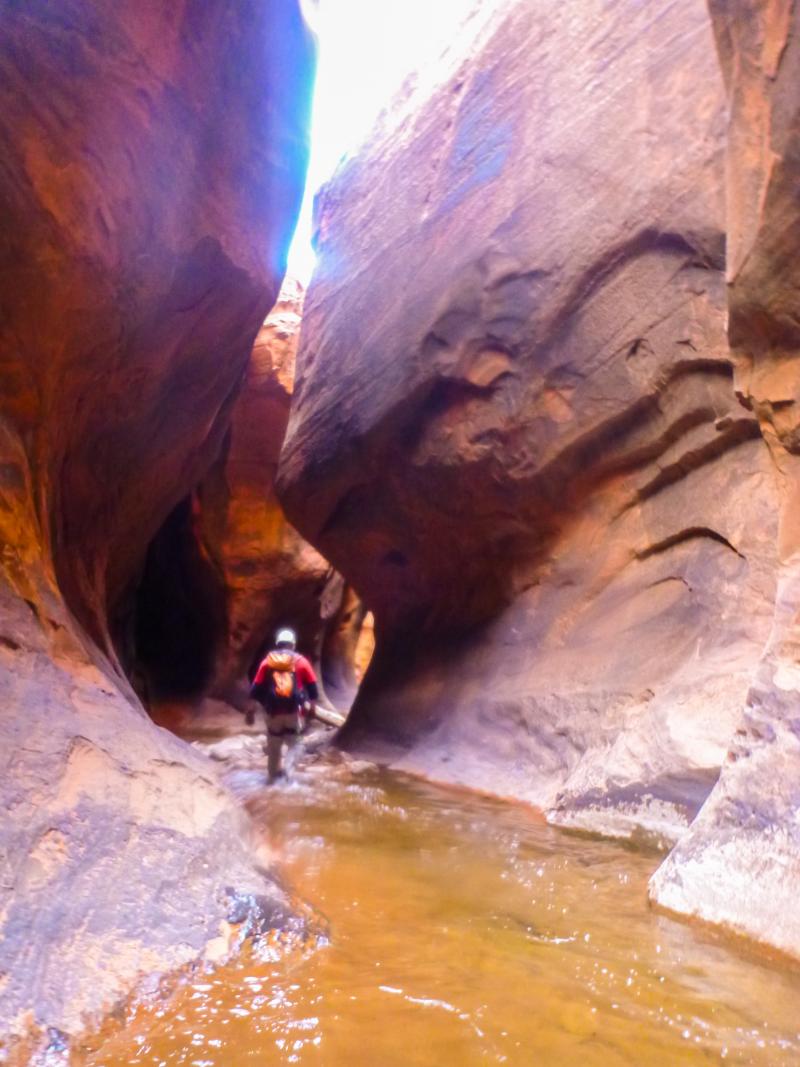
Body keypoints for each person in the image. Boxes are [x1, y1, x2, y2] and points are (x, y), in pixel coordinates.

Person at [246, 627, 319, 780]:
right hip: (293, 712)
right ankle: (288, 773)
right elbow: (312, 686)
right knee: (296, 743)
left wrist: (250, 710)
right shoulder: (301, 662)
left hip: (272, 711)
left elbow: (256, 687)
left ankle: (272, 778)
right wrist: (312, 707)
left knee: (274, 745)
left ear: (278, 644)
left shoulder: (267, 662)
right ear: (293, 645)